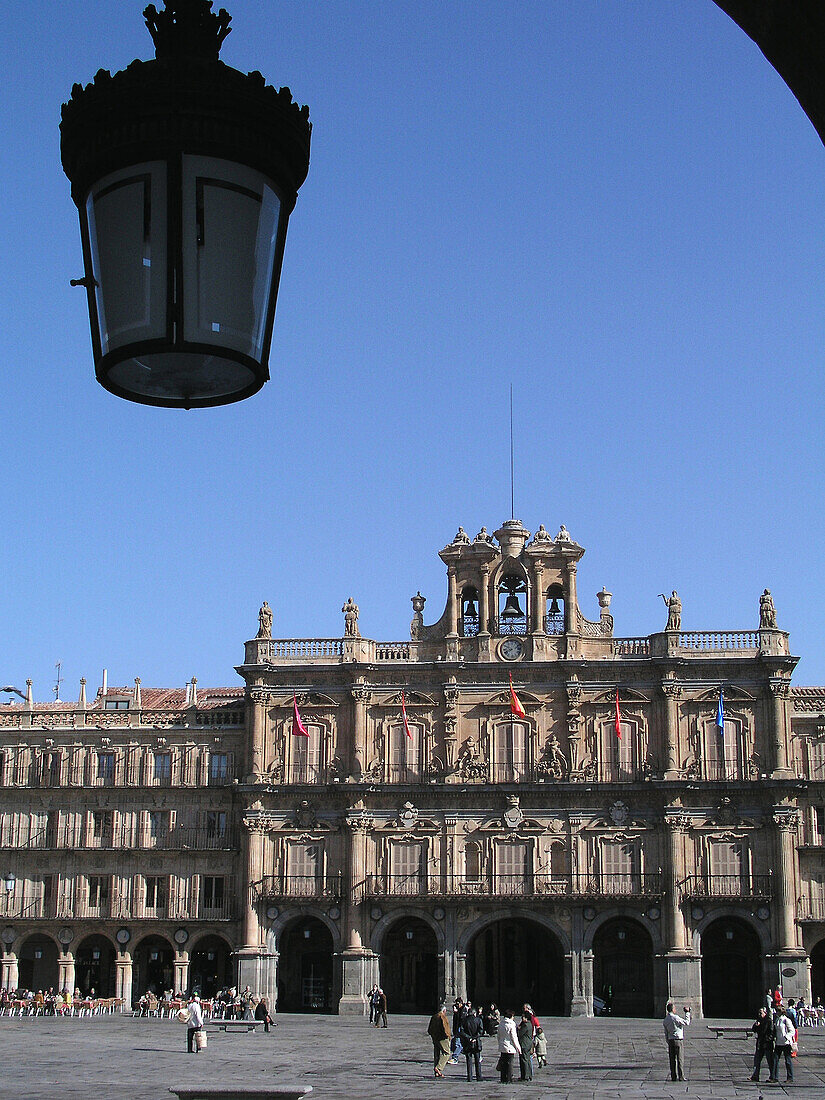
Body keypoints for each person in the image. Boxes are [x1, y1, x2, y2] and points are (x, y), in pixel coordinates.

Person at [662, 1001, 690, 1081]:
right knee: (680, 1059)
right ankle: (681, 1076)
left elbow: (666, 1032)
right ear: (672, 1009)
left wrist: (668, 1040)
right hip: (678, 1040)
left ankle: (673, 1076)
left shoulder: (666, 1020)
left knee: (672, 1059)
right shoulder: (675, 1017)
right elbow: (686, 1022)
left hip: (670, 1040)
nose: (675, 1009)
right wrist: (687, 1013)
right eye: (675, 1008)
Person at [458, 1005, 484, 1082]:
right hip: (476, 1042)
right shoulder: (478, 1020)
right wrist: (475, 1038)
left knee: (469, 1060)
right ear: (474, 1013)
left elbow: (462, 1031)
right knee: (477, 1060)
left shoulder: (464, 1020)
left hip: (467, 1042)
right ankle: (479, 1076)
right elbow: (481, 1031)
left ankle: (470, 1077)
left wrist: (469, 1037)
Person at [750, 1006, 775, 1082]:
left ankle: (772, 1076)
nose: (759, 1014)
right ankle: (755, 1076)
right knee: (757, 1060)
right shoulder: (759, 1020)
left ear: (765, 1013)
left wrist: (768, 1039)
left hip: (767, 1044)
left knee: (770, 1061)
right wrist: (756, 1025)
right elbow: (754, 1029)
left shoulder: (769, 1021)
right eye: (759, 1013)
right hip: (760, 1043)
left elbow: (771, 1032)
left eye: (761, 1013)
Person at [772, 1005, 795, 1083]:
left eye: (777, 1011)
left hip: (786, 1043)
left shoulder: (786, 1020)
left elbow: (792, 1031)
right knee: (775, 1059)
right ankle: (775, 1077)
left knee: (788, 1060)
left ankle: (790, 1077)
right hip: (778, 1043)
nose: (776, 1013)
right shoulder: (777, 1020)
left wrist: (786, 1037)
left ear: (780, 1012)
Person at [427, 1004, 451, 1078]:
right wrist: (448, 1036)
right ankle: (438, 1068)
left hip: (435, 1037)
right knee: (447, 1053)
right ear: (444, 1010)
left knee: (437, 1054)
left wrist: (433, 1035)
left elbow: (429, 1029)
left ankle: (437, 1072)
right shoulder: (442, 1017)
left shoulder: (434, 1017)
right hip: (442, 1038)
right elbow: (445, 1028)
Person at [497, 1009, 519, 1084]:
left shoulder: (501, 1024)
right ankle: (509, 1078)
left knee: (503, 1062)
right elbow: (514, 1037)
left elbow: (498, 1035)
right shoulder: (512, 1025)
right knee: (509, 1063)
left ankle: (503, 1078)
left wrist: (500, 1042)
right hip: (510, 1046)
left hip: (502, 1045)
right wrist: (518, 1047)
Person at [517, 1012, 534, 1081]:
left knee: (524, 1060)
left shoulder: (526, 1025)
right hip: (528, 1043)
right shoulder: (529, 1024)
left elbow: (520, 1033)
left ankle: (525, 1075)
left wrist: (518, 1029)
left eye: (523, 1017)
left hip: (524, 1044)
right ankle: (529, 1075)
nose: (522, 1018)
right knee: (527, 1059)